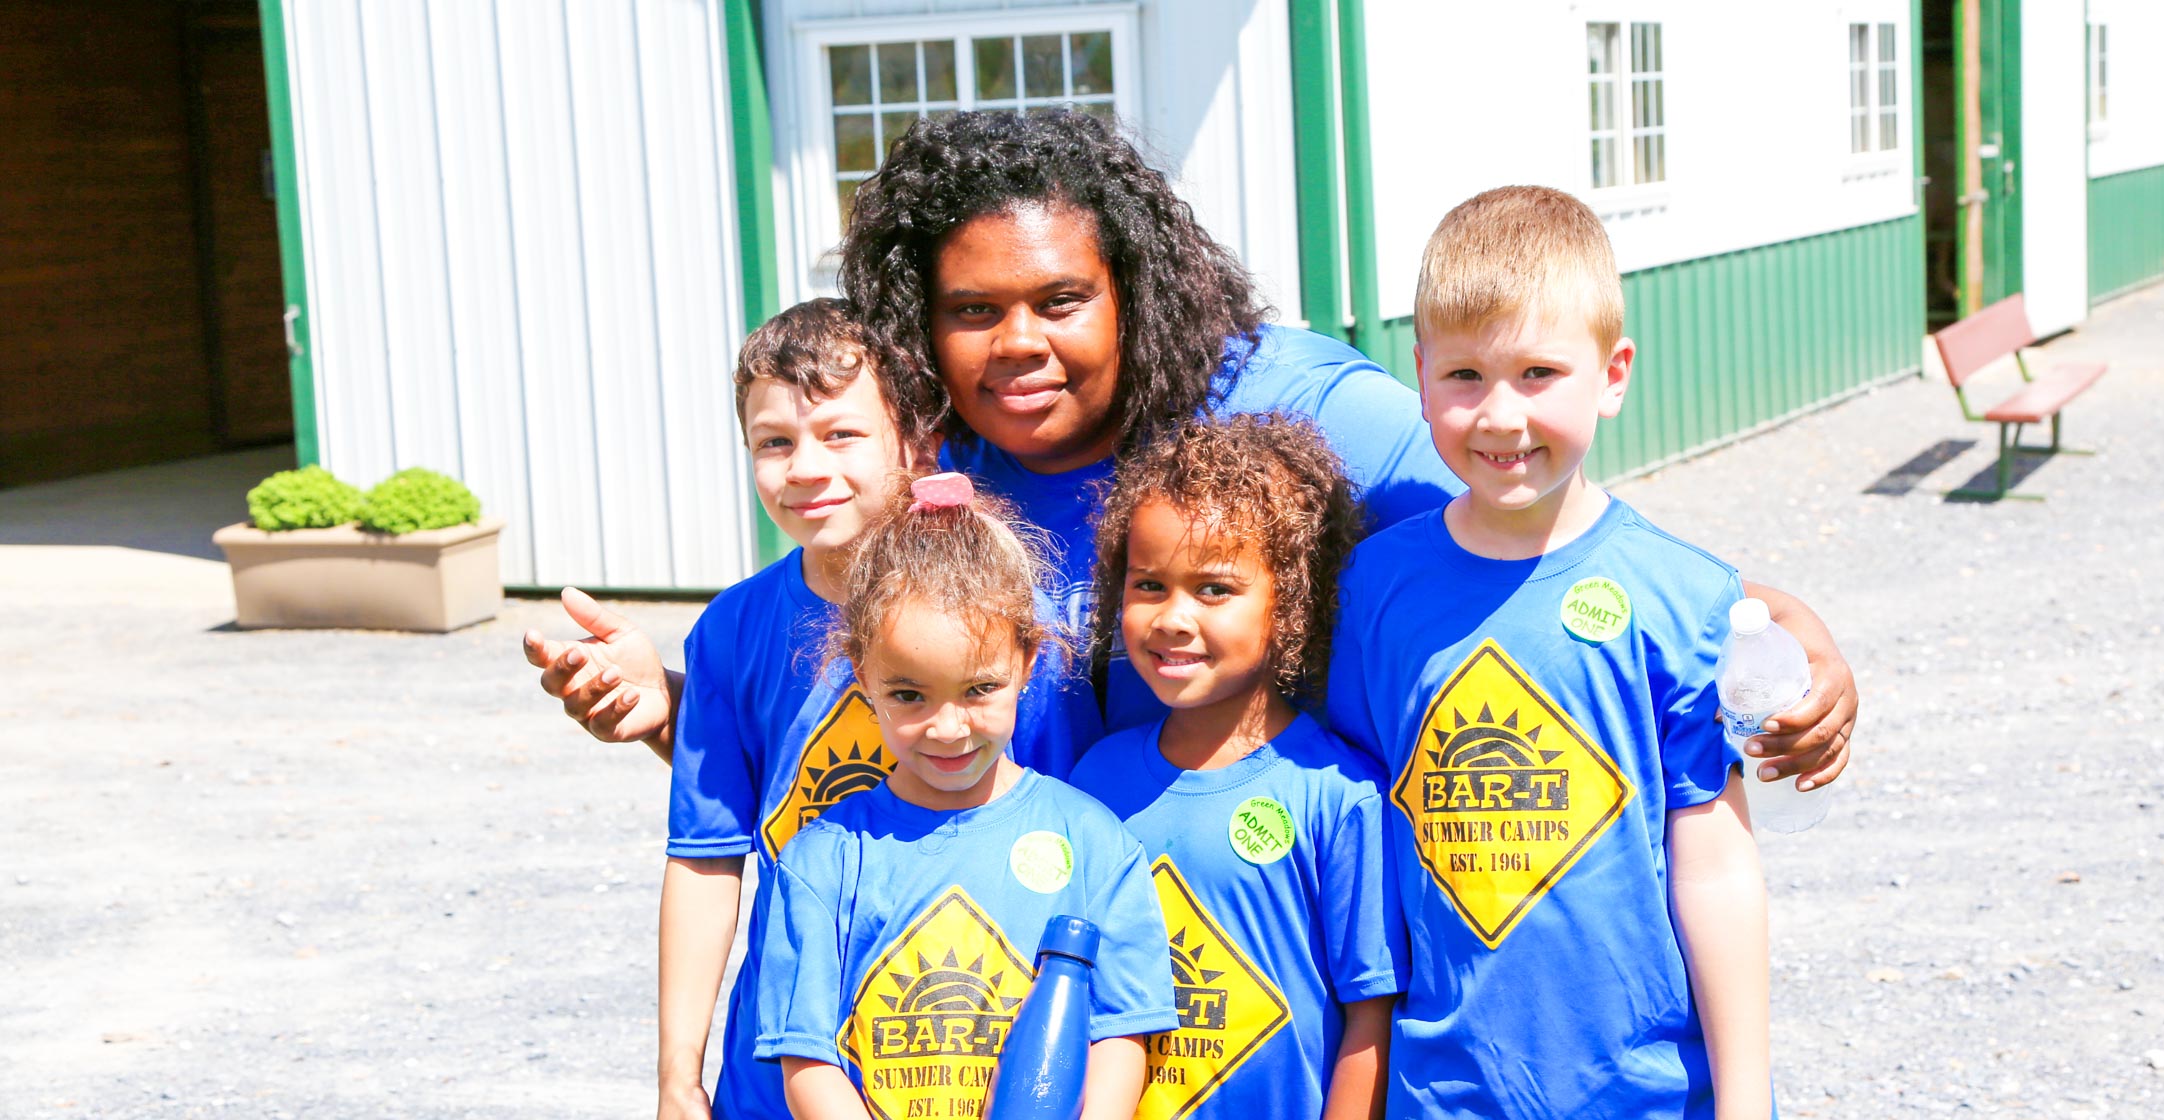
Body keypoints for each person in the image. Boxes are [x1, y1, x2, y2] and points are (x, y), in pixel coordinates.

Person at [528, 112, 1854, 784]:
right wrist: (671, 706)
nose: (1019, 346)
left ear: (1134, 288)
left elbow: (1531, 510)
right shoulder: (924, 475)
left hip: (1274, 941)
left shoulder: (1297, 411)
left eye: (1062, 302)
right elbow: (837, 716)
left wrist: (1751, 615)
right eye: (972, 313)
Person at [1326, 187, 1772, 1117]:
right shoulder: (1372, 589)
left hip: (1645, 1093)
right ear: (1417, 375)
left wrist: (1746, 1098)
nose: (1499, 415)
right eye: (1463, 377)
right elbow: (1353, 837)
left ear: (1613, 374)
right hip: (1439, 1092)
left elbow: (1717, 867)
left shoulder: (1684, 599)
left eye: (1538, 373)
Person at [601, 301, 1097, 1120]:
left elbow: (1074, 843)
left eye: (840, 434)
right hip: (782, 1060)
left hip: (974, 1052)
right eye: (774, 441)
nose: (802, 466)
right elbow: (705, 857)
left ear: (916, 444)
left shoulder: (1013, 622)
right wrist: (677, 1076)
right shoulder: (730, 631)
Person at [751, 475, 1176, 1120]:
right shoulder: (822, 863)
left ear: (1028, 662)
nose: (948, 729)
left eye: (979, 689)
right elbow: (808, 1063)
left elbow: (1121, 1032)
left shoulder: (1093, 841)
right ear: (862, 674)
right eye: (909, 695)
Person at [1069, 416, 1401, 1120]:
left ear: (1291, 604)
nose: (1173, 618)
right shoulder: (1091, 784)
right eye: (1150, 585)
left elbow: (1370, 1020)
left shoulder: (1340, 796)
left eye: (1215, 590)